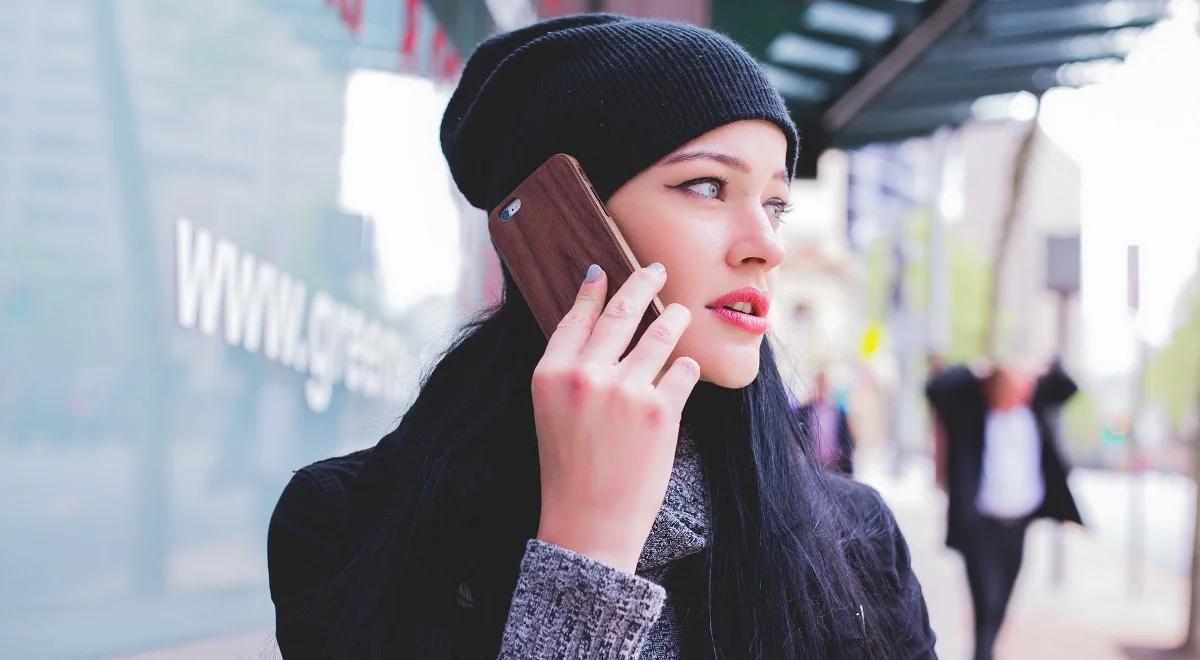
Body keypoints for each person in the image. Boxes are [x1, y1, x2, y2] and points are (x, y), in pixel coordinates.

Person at [268, 14, 936, 660]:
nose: (767, 246)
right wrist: (585, 555)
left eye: (775, 204)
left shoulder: (854, 540)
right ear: (562, 225)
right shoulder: (348, 525)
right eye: (707, 186)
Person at [925, 359, 1083, 660]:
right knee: (986, 599)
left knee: (1002, 600)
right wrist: (975, 371)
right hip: (980, 526)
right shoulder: (971, 411)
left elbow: (1069, 386)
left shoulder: (1034, 406)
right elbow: (935, 389)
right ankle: (983, 654)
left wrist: (1040, 368)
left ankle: (986, 651)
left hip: (1019, 523)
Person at [795, 370, 856, 474]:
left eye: (825, 384)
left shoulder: (838, 413)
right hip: (812, 467)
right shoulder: (805, 411)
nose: (822, 388)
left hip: (835, 468)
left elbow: (848, 440)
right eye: (820, 383)